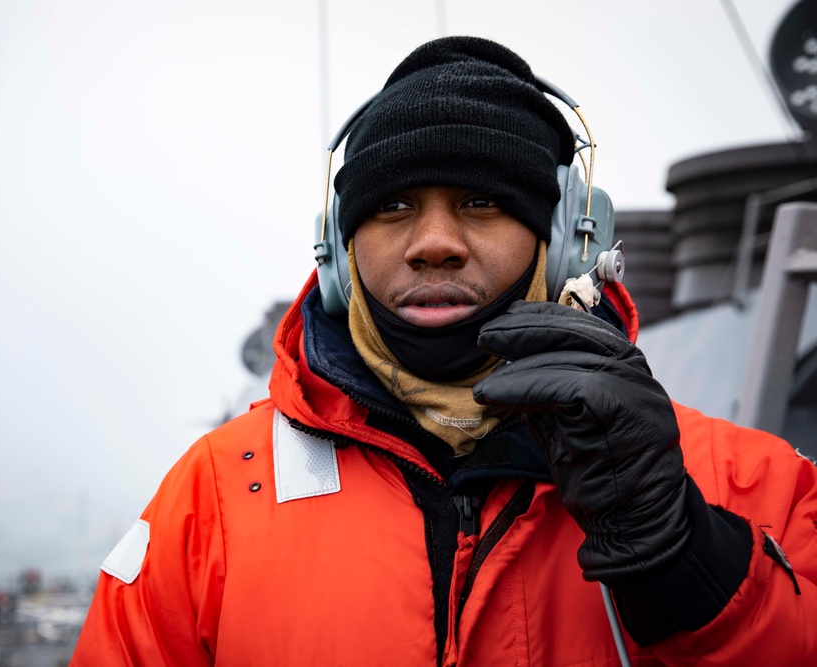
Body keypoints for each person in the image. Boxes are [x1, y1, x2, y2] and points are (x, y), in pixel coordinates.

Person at [71, 36, 817, 666]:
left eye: (482, 203)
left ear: (566, 244)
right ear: (337, 250)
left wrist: (695, 562)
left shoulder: (749, 485)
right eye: (393, 206)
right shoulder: (211, 499)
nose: (433, 244)